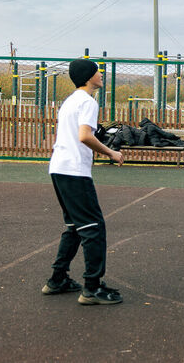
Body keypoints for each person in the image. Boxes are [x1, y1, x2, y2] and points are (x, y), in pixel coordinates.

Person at [43, 59, 124, 305]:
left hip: (58, 168)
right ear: (89, 77)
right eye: (98, 71)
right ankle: (92, 288)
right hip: (74, 171)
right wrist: (111, 152)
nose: (101, 75)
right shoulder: (88, 101)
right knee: (94, 228)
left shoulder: (70, 101)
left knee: (75, 226)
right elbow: (84, 136)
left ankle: (57, 279)